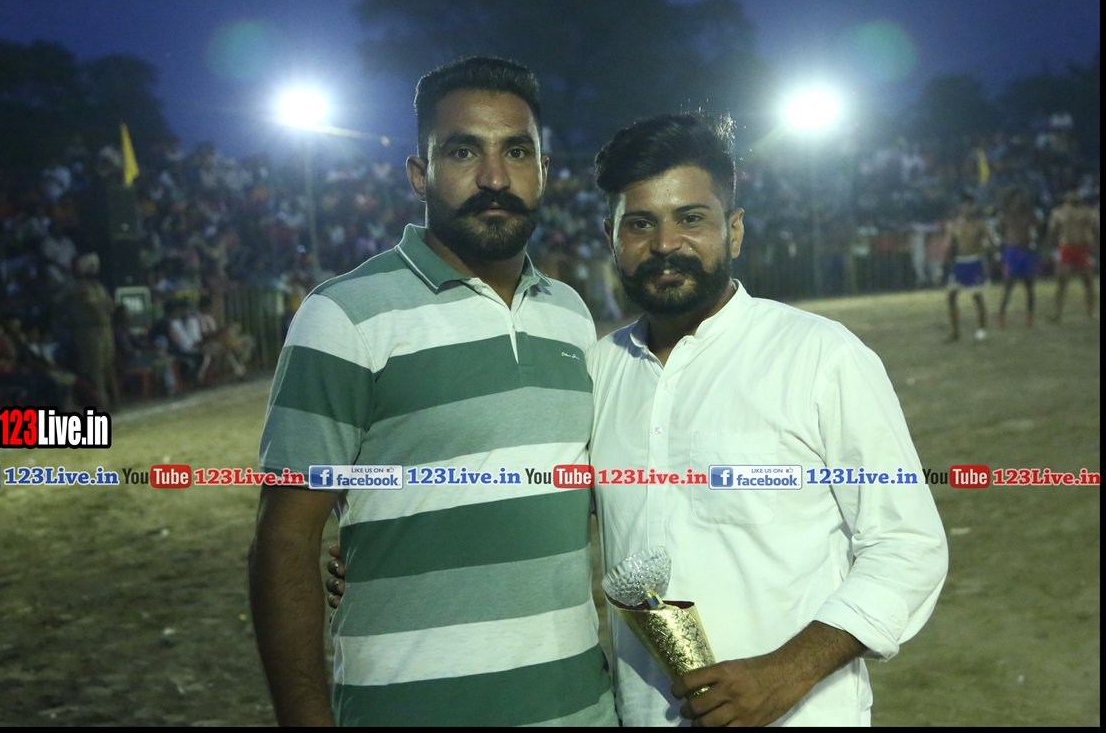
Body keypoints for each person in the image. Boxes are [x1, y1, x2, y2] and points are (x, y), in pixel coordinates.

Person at [249, 57, 615, 727]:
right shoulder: (343, 315)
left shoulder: (569, 314)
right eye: (463, 152)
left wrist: (410, 537)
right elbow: (286, 539)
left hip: (579, 709)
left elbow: (561, 492)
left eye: (517, 152)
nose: (494, 177)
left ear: (543, 170)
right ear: (420, 174)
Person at [587, 113, 948, 726]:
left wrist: (784, 672)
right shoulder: (599, 372)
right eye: (640, 223)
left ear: (734, 231)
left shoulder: (821, 356)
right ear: (611, 236)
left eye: (691, 219)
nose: (666, 243)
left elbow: (907, 545)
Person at [68, 253, 118, 408]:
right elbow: (95, 309)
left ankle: (114, 399)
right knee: (95, 367)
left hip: (105, 327)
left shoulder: (98, 286)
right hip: (89, 330)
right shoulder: (79, 287)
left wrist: (106, 309)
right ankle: (99, 402)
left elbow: (110, 307)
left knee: (108, 364)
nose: (95, 270)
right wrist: (105, 309)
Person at [944, 196, 995, 342]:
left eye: (970, 206)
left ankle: (981, 329)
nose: (967, 209)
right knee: (951, 296)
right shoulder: (953, 225)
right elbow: (948, 245)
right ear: (960, 207)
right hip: (960, 262)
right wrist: (945, 264)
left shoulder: (980, 224)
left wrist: (988, 256)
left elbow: (991, 243)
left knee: (977, 296)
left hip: (975, 261)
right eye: (965, 206)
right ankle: (955, 332)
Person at [1047, 189, 1099, 321]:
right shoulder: (1059, 213)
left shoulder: (1089, 212)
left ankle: (1090, 312)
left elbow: (1096, 230)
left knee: (1088, 281)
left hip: (1083, 248)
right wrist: (1051, 247)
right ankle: (1057, 312)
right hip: (1067, 248)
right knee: (1062, 282)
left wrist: (1096, 247)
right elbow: (1053, 232)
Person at [996, 188, 1042, 326]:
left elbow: (1038, 230)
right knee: (1009, 285)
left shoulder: (1030, 214)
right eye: (1017, 198)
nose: (1020, 200)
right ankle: (1002, 315)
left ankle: (1029, 316)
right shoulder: (1005, 215)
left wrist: (1034, 244)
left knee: (1029, 285)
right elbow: (1001, 232)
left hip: (1026, 250)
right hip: (1012, 251)